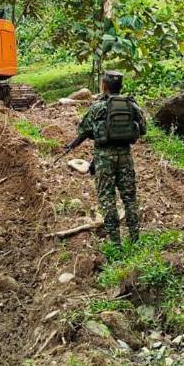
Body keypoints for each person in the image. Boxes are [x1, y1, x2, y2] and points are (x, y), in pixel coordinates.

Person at [63, 71, 147, 245]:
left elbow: (84, 131)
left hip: (104, 159)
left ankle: (116, 243)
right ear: (120, 87)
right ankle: (135, 239)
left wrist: (72, 145)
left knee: (107, 200)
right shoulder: (131, 105)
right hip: (125, 157)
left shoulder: (98, 107)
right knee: (130, 198)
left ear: (104, 86)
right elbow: (143, 129)